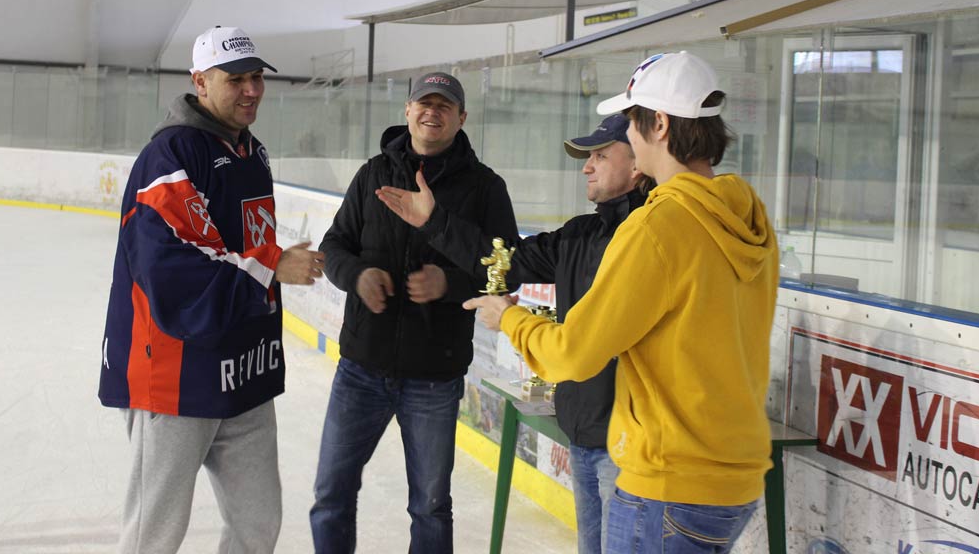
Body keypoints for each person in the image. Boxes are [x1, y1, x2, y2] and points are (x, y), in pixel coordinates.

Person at [464, 51, 778, 554]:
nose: (629, 133)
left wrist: (510, 318)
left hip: (669, 485)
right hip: (733, 480)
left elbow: (573, 353)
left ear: (659, 124)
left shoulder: (657, 227)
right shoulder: (746, 214)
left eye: (632, 121)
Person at [377, 114, 650, 554]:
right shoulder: (581, 234)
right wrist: (435, 222)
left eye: (600, 156)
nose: (586, 166)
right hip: (583, 434)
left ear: (638, 163)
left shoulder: (649, 240)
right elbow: (504, 262)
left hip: (628, 447)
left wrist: (511, 318)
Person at [98, 27, 323, 554]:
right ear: (199, 82)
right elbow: (174, 273)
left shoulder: (251, 151)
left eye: (257, 77)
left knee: (257, 524)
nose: (251, 90)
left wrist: (278, 264)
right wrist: (273, 265)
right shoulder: (170, 155)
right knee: (153, 536)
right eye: (235, 79)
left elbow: (239, 247)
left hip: (244, 371)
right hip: (176, 376)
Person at [311, 72, 518, 554]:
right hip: (361, 369)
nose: (432, 112)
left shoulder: (485, 188)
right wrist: (357, 275)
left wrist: (449, 284)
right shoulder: (373, 175)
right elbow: (334, 246)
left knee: (430, 506)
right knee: (331, 493)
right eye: (424, 102)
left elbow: (507, 271)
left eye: (444, 105)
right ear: (407, 111)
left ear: (461, 118)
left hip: (434, 377)